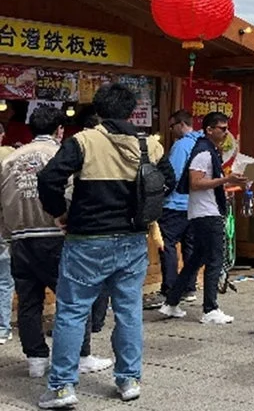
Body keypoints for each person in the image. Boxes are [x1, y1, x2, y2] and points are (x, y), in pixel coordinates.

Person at [33, 84, 167, 406]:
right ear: (130, 110)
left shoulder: (84, 141)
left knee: (72, 312)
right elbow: (168, 182)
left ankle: (63, 387)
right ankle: (129, 380)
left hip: (87, 241)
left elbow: (49, 179)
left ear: (99, 111)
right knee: (129, 310)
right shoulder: (150, 145)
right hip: (134, 241)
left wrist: (60, 212)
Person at [1, 108, 112, 380]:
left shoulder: (10, 159)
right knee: (76, 300)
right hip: (56, 236)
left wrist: (6, 234)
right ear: (60, 130)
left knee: (29, 302)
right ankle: (81, 355)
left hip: (20, 239)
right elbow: (77, 195)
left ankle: (36, 360)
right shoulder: (63, 156)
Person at [159, 112, 244, 325]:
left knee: (196, 259)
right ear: (209, 129)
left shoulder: (207, 150)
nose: (226, 132)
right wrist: (225, 178)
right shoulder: (203, 151)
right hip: (207, 213)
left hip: (204, 210)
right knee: (215, 259)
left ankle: (171, 302)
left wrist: (231, 183)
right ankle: (210, 308)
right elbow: (195, 183)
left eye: (226, 128)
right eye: (222, 128)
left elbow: (206, 183)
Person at [156, 110, 199, 312]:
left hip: (175, 204)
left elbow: (170, 177)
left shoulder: (181, 146)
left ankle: (170, 288)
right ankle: (189, 287)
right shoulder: (202, 143)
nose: (171, 131)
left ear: (182, 124)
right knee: (190, 247)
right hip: (195, 204)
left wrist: (159, 197)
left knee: (168, 246)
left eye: (172, 126)